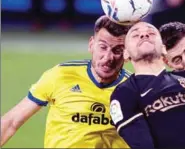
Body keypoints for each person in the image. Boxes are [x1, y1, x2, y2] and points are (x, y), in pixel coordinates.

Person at [1, 15, 132, 148]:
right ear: (91, 45)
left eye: (117, 50)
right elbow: (11, 121)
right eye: (103, 47)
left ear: (127, 54)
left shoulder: (135, 89)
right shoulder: (61, 75)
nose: (108, 57)